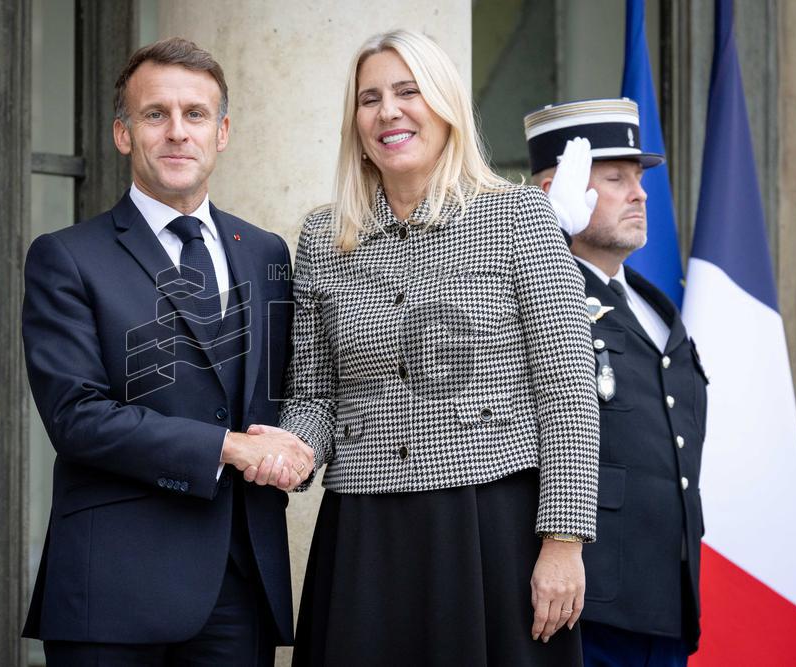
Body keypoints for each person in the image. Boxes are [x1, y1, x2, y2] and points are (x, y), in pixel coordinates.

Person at [254, 30, 600, 666]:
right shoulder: (322, 238)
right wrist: (287, 453)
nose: (388, 111)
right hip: (364, 532)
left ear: (445, 107)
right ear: (354, 123)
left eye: (408, 91)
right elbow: (313, 394)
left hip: (491, 528)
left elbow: (569, 391)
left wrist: (564, 542)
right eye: (370, 98)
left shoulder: (518, 214)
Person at [20, 37, 313, 666]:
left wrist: (297, 449)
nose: (178, 132)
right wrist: (230, 447)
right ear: (124, 134)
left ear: (222, 132)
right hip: (113, 594)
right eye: (156, 115)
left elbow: (288, 391)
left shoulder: (266, 253)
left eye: (195, 114)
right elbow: (76, 418)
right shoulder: (67, 257)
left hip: (242, 586)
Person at [525, 98, 707, 666]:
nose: (641, 193)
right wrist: (542, 235)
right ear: (562, 187)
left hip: (666, 598)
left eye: (639, 179)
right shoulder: (536, 297)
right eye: (614, 178)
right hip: (585, 601)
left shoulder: (654, 308)